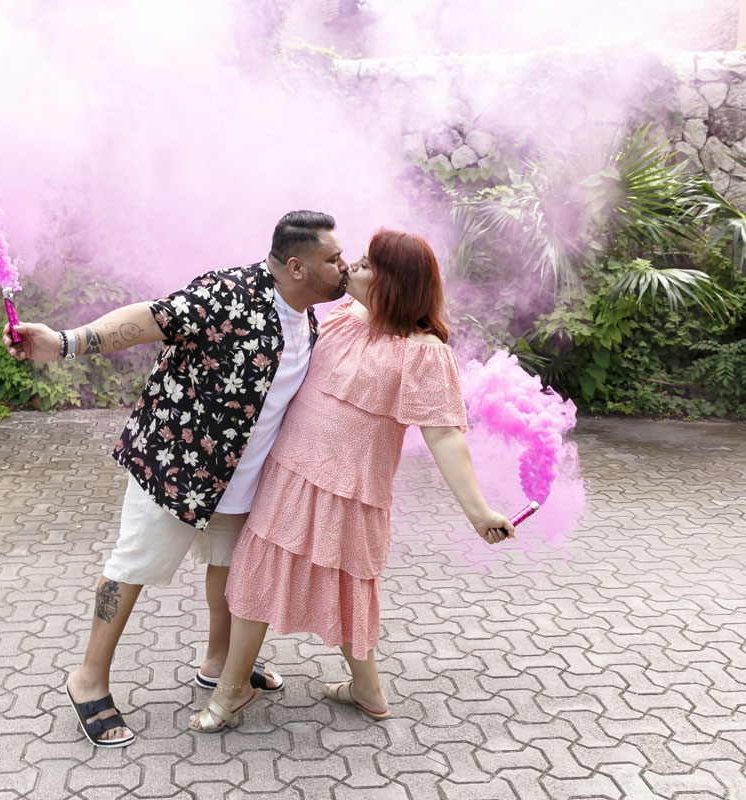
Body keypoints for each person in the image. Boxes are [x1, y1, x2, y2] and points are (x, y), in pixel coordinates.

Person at [6, 211, 351, 747]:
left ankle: (219, 665)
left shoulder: (305, 315)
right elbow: (152, 318)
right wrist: (65, 343)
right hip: (175, 469)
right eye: (333, 259)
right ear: (297, 266)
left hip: (245, 479)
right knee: (131, 568)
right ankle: (88, 680)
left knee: (230, 571)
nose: (343, 266)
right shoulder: (228, 291)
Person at [188, 229, 515, 733]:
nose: (351, 270)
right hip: (292, 476)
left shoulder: (423, 352)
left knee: (346, 590)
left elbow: (445, 436)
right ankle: (241, 690)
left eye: (364, 266)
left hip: (352, 493)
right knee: (256, 575)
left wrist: (479, 512)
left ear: (393, 284)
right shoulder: (343, 318)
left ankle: (354, 688)